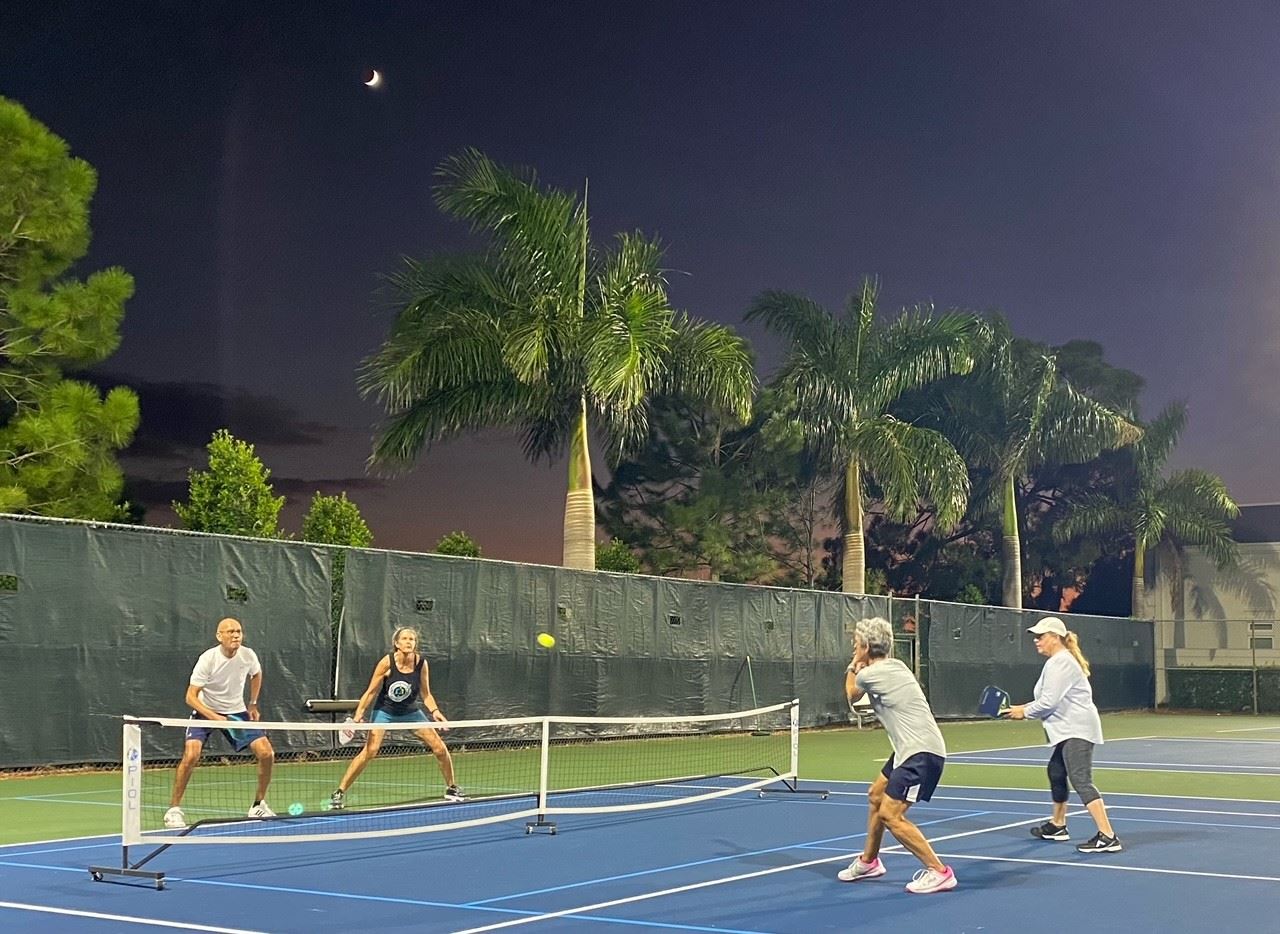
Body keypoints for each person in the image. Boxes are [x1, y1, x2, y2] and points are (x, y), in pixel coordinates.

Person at [837, 617, 957, 894]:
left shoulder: (867, 674)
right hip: (908, 750)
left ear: (866, 647)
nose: (854, 648)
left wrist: (854, 664)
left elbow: (852, 695)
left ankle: (939, 871)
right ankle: (868, 862)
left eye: (856, 644)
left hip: (921, 753)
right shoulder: (898, 666)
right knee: (876, 795)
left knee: (891, 815)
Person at [1006, 616, 1122, 853]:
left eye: (1041, 636)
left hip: (1077, 730)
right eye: (1036, 637)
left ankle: (1108, 835)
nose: (1037, 641)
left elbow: (1048, 702)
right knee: (1056, 771)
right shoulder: (1057, 662)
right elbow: (1046, 700)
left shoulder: (1061, 663)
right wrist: (1018, 709)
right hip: (1068, 730)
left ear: (1055, 638)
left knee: (1081, 779)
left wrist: (1024, 712)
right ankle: (1058, 825)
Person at [329, 626, 465, 809]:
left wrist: (435, 711)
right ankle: (339, 792)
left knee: (440, 748)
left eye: (412, 639)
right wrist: (357, 717)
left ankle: (451, 788)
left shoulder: (421, 663)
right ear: (397, 643)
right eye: (405, 639)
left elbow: (426, 694)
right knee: (370, 751)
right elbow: (370, 692)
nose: (409, 642)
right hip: (385, 711)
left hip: (410, 712)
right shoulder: (386, 663)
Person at [164, 617, 276, 829]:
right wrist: (213, 717)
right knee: (191, 755)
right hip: (205, 712)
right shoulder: (208, 659)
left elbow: (257, 674)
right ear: (219, 636)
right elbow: (190, 697)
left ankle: (258, 805)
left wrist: (252, 703)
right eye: (231, 632)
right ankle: (173, 810)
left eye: (239, 631)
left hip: (236, 713)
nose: (236, 635)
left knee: (266, 753)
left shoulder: (248, 655)